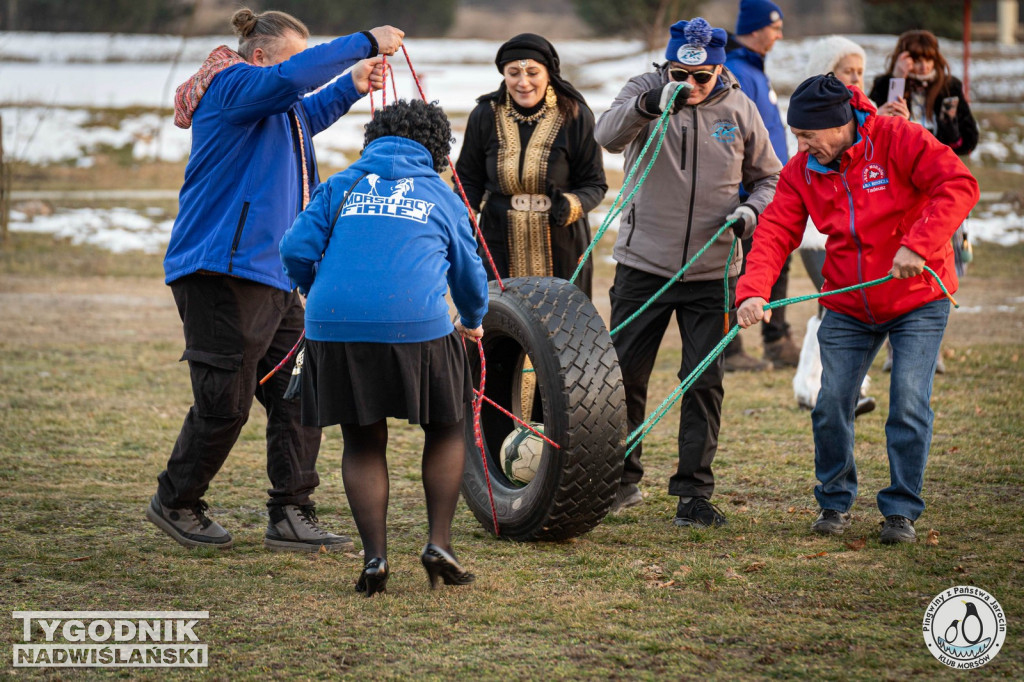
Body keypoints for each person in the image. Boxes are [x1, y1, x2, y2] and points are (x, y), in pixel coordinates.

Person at [148, 7, 404, 552]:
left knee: (299, 393)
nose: (301, 71)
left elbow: (301, 113)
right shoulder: (232, 85)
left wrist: (352, 85)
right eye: (294, 59)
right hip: (222, 270)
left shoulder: (271, 105)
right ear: (261, 57)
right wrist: (362, 43)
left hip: (273, 275)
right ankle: (176, 500)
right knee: (225, 404)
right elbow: (291, 81)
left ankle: (291, 510)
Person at [736, 74, 979, 544]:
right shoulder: (802, 170)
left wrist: (919, 245)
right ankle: (833, 501)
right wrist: (754, 290)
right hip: (848, 301)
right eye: (798, 137)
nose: (803, 146)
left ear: (839, 122)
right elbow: (775, 232)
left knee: (908, 402)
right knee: (830, 404)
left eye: (809, 135)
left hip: (917, 296)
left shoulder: (898, 139)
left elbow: (958, 184)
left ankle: (901, 511)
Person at [280, 99, 488, 596]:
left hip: (335, 326)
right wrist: (474, 321)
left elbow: (294, 249)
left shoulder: (340, 184)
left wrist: (314, 290)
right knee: (448, 425)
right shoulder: (442, 194)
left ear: (372, 138)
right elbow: (468, 272)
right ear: (438, 149)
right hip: (417, 324)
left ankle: (375, 558)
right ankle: (439, 543)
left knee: (362, 439)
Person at [595, 17, 781, 522]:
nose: (692, 86)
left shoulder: (741, 108)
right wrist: (650, 105)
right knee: (625, 377)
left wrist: (750, 211)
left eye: (702, 78)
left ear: (720, 69)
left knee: (703, 382)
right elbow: (606, 135)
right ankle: (620, 479)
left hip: (714, 270)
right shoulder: (646, 91)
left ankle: (693, 495)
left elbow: (770, 179)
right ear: (668, 67)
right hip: (643, 266)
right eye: (681, 74)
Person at [454, 33, 608, 299]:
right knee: (500, 322)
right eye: (513, 73)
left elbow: (595, 184)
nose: (523, 82)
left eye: (533, 72)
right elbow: (468, 176)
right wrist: (464, 212)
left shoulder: (575, 114)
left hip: (562, 240)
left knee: (563, 325)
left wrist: (572, 204)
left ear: (549, 73)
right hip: (497, 240)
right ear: (504, 74)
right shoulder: (484, 114)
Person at [869, 29, 979, 374]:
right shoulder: (885, 84)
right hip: (896, 194)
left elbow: (967, 140)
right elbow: (871, 132)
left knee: (939, 265)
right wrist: (897, 81)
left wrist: (945, 122)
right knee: (895, 263)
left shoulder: (949, 88)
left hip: (938, 192)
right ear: (900, 56)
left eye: (927, 57)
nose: (921, 64)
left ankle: (933, 346)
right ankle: (891, 348)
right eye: (913, 57)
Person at [794, 36, 877, 418]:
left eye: (861, 71)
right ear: (829, 71)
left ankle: (830, 386)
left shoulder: (869, 116)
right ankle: (817, 386)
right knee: (835, 308)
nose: (856, 79)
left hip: (853, 234)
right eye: (848, 71)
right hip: (817, 235)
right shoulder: (809, 117)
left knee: (836, 308)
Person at [722, 0, 799, 372]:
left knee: (777, 260)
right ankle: (729, 348)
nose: (779, 35)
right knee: (734, 268)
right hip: (747, 193)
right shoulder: (738, 71)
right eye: (775, 27)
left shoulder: (755, 69)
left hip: (771, 189)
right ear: (754, 28)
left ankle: (776, 339)